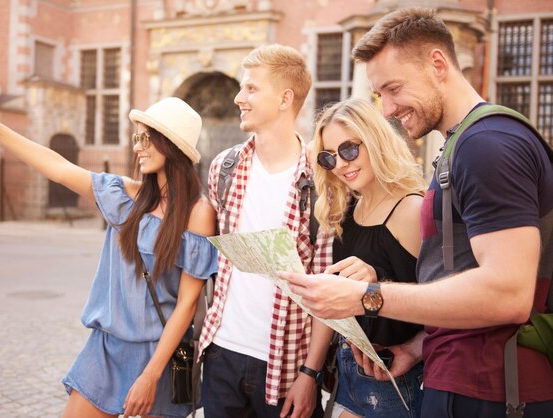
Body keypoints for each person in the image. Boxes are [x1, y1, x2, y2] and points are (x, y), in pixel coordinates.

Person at [278, 7, 553, 418]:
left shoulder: (486, 145)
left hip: (494, 392)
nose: (386, 109)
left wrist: (368, 296)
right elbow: (460, 284)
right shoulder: (463, 145)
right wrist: (419, 345)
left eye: (393, 88)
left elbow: (509, 294)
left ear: (438, 63)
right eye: (380, 95)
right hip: (458, 377)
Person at [0, 97, 219, 418]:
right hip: (107, 349)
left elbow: (186, 305)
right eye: (135, 137)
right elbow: (57, 167)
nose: (137, 147)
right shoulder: (123, 196)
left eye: (145, 138)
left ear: (171, 146)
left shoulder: (198, 213)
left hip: (165, 358)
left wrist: (151, 376)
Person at [197, 43, 331, 418]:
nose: (239, 97)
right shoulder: (224, 168)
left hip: (287, 366)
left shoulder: (320, 183)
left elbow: (326, 293)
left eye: (252, 88)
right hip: (221, 354)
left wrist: (310, 375)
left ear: (285, 98)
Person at [309, 98, 427, 417]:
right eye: (329, 157)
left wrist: (377, 282)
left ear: (374, 139)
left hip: (397, 374)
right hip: (349, 368)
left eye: (349, 149)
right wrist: (308, 372)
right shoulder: (347, 211)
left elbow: (449, 302)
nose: (341, 164)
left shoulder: (411, 210)